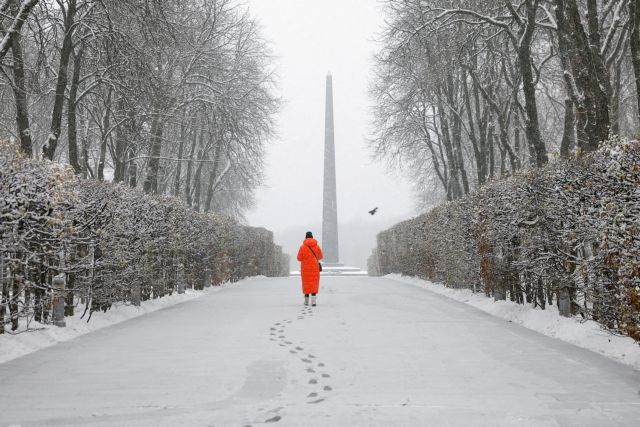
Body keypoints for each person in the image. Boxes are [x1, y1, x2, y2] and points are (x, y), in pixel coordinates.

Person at [296, 231, 323, 306]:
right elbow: (320, 256)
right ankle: (313, 301)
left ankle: (306, 301)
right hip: (314, 268)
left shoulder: (302, 247)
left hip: (305, 269)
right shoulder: (317, 246)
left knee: (306, 284)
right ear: (312, 237)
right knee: (314, 283)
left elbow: (299, 258)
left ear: (306, 237)